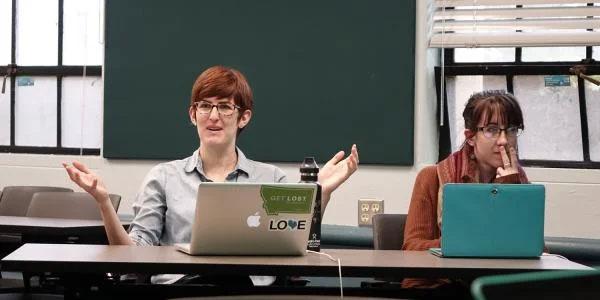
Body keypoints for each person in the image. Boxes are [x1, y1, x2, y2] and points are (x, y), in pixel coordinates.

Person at [62, 66, 359, 284]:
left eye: (225, 107)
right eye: (205, 106)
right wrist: (103, 203)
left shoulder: (273, 179)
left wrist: (321, 193)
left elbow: (298, 256)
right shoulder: (164, 177)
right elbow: (132, 257)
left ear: (244, 117)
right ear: (193, 115)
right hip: (181, 291)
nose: (213, 116)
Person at [402, 90, 528, 288]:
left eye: (511, 129)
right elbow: (412, 248)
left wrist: (510, 193)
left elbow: (534, 245)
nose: (504, 140)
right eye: (492, 130)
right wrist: (466, 244)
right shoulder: (431, 178)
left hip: (496, 284)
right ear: (470, 137)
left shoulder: (517, 179)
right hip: (439, 285)